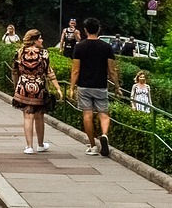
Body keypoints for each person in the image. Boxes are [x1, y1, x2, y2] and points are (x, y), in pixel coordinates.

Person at [69, 16, 120, 156]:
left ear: (85, 30)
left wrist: (71, 88)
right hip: (101, 85)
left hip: (84, 86)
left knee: (87, 115)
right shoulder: (106, 47)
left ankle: (92, 145)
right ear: (99, 29)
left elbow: (75, 70)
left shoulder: (79, 47)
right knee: (103, 114)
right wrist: (117, 87)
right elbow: (112, 70)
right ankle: (104, 135)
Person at [10, 28, 64, 154]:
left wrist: (16, 85)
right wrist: (57, 87)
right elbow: (49, 72)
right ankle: (40, 144)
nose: (42, 40)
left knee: (27, 117)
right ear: (34, 40)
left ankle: (29, 146)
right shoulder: (43, 54)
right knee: (39, 116)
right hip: (38, 86)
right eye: (39, 38)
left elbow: (15, 71)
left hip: (23, 85)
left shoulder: (20, 52)